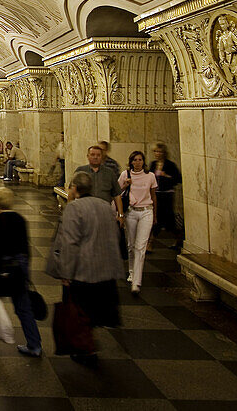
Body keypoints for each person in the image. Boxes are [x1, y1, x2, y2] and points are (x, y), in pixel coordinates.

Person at [46, 171, 125, 364]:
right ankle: (88, 344)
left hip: (83, 271)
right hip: (104, 269)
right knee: (94, 309)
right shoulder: (105, 206)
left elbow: (70, 243)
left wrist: (66, 272)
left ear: (74, 188)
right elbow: (113, 235)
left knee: (80, 310)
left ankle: (85, 349)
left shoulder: (74, 208)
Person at [0, 186, 42, 356]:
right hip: (19, 268)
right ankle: (34, 344)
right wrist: (26, 271)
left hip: (4, 268)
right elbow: (26, 247)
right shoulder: (20, 219)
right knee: (23, 308)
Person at [120, 150, 157, 295]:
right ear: (131, 162)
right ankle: (131, 271)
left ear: (144, 161)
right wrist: (125, 184)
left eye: (140, 160)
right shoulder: (125, 174)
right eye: (135, 160)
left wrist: (154, 215)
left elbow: (153, 196)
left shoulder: (150, 176)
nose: (137, 162)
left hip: (146, 211)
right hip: (131, 212)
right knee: (131, 245)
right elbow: (117, 192)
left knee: (140, 247)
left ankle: (136, 281)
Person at [151, 142, 183, 251]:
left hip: (167, 194)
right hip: (156, 194)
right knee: (157, 217)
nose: (157, 154)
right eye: (156, 151)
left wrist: (166, 176)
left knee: (167, 218)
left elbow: (178, 179)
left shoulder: (170, 165)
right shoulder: (153, 164)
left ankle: (178, 238)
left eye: (159, 151)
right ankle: (150, 241)